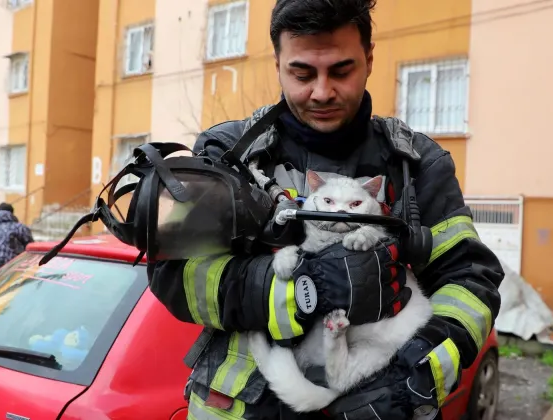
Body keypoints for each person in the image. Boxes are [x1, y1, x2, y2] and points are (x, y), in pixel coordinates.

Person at [148, 0, 504, 418]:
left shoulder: (417, 164)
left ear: (369, 59)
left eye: (341, 70)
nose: (321, 91)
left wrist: (412, 379)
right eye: (302, 73)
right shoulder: (227, 154)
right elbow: (174, 274)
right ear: (277, 63)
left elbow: (471, 281)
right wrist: (291, 289)